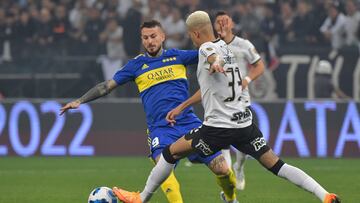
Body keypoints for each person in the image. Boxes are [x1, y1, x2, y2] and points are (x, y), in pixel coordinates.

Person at [112, 11, 341, 203]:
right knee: (277, 165)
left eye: (192, 36)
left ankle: (141, 198)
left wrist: (214, 63)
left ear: (195, 33)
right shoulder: (228, 47)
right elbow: (212, 78)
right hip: (245, 123)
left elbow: (210, 55)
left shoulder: (205, 49)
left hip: (217, 129)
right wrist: (184, 105)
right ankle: (325, 195)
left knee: (170, 153)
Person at [60, 20, 236, 203]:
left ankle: (230, 199)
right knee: (166, 177)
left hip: (189, 124)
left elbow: (209, 53)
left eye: (153, 36)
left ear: (162, 37)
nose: (149, 41)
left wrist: (221, 42)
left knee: (222, 169)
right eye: (145, 38)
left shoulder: (178, 56)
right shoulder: (136, 65)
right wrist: (80, 100)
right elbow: (106, 86)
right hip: (160, 130)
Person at [209, 10, 266, 191]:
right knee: (223, 142)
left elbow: (259, 65)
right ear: (214, 26)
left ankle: (239, 168)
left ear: (232, 23)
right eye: (218, 22)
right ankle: (229, 181)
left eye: (225, 21)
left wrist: (247, 80)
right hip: (220, 101)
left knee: (242, 148)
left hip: (241, 100)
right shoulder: (211, 47)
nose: (222, 24)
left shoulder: (244, 44)